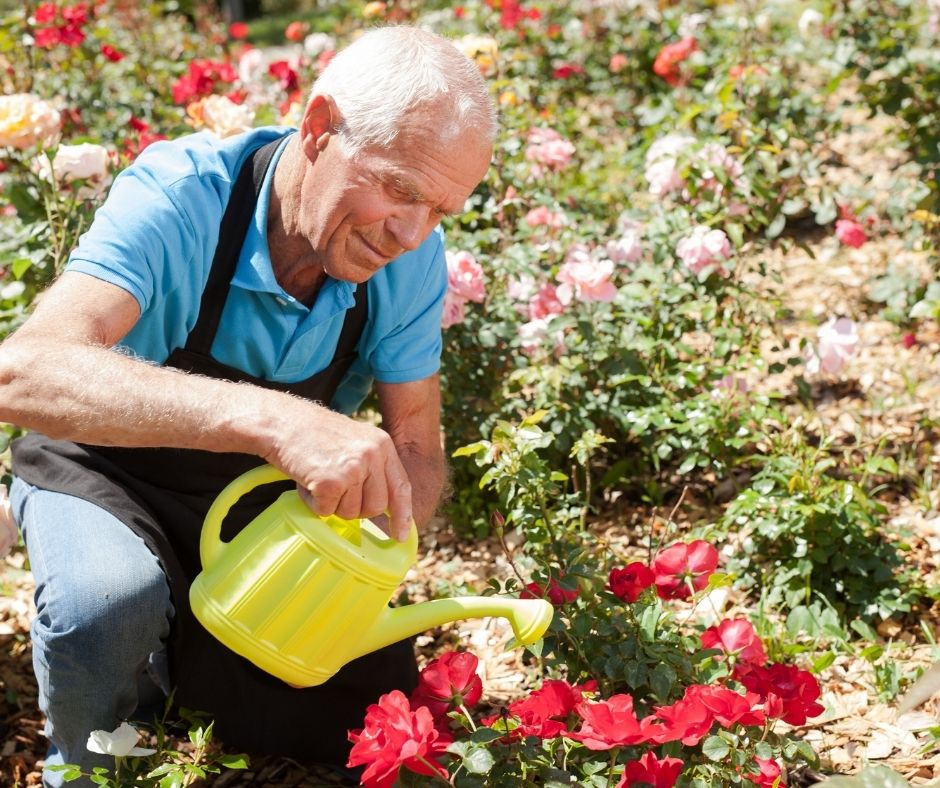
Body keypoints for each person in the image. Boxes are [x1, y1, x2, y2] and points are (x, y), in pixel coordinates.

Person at [0, 25, 495, 786]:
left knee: (343, 702)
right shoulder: (182, 196)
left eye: (440, 210)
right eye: (398, 187)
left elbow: (419, 446)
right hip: (103, 470)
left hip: (254, 502)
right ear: (320, 127)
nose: (410, 233)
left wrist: (373, 539)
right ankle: (85, 768)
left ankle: (176, 677)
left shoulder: (409, 257)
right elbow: (23, 373)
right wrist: (278, 419)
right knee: (109, 605)